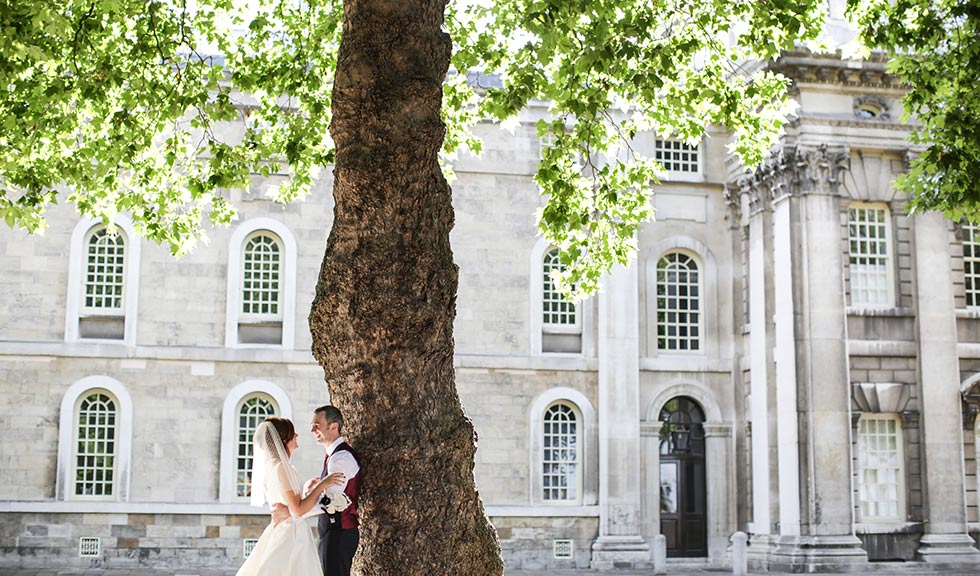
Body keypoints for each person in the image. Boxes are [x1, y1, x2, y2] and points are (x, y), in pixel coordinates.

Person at [236, 417, 344, 576]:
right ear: (284, 440)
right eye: (293, 434)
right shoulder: (282, 468)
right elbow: (299, 509)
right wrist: (322, 485)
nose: (297, 436)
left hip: (285, 528)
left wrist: (307, 488)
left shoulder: (274, 466)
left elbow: (290, 502)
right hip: (291, 534)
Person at [310, 405, 362, 576]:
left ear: (333, 426)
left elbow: (330, 502)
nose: (312, 429)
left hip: (338, 534)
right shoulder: (334, 456)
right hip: (334, 534)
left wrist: (298, 511)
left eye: (317, 425)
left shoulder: (340, 458)